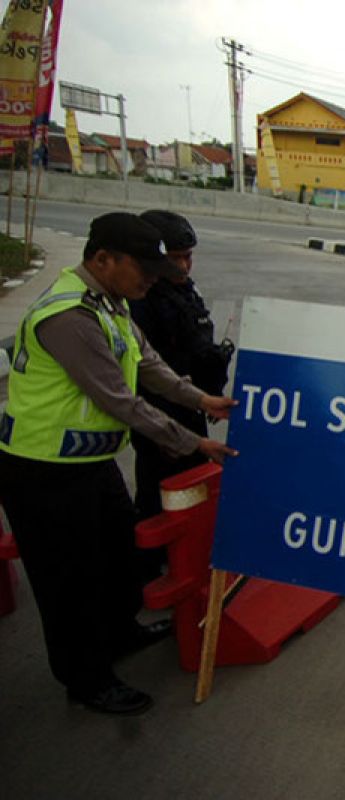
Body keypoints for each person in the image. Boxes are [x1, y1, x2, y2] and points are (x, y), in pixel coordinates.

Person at [0, 212, 238, 715]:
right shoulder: (69, 317)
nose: (152, 278)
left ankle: (120, 633)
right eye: (143, 268)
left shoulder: (110, 304)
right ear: (103, 258)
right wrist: (195, 443)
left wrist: (201, 401)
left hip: (91, 464)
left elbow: (150, 365)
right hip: (42, 472)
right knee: (69, 581)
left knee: (116, 558)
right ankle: (86, 678)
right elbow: (121, 401)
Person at [130, 211, 234, 526]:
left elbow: (198, 347)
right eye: (176, 258)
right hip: (158, 411)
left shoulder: (186, 291)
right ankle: (157, 558)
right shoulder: (140, 302)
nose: (184, 266)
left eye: (188, 257)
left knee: (194, 485)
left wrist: (209, 393)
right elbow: (147, 370)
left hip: (191, 403)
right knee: (161, 492)